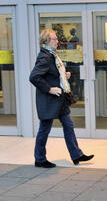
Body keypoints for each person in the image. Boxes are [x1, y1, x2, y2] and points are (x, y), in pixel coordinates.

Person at [29, 29, 94, 168]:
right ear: (46, 41)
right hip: (49, 100)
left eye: (56, 38)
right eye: (54, 39)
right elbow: (34, 77)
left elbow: (51, 74)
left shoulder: (52, 55)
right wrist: (50, 89)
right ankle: (39, 159)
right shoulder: (45, 57)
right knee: (44, 129)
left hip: (59, 100)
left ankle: (77, 155)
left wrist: (64, 75)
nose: (57, 41)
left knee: (69, 125)